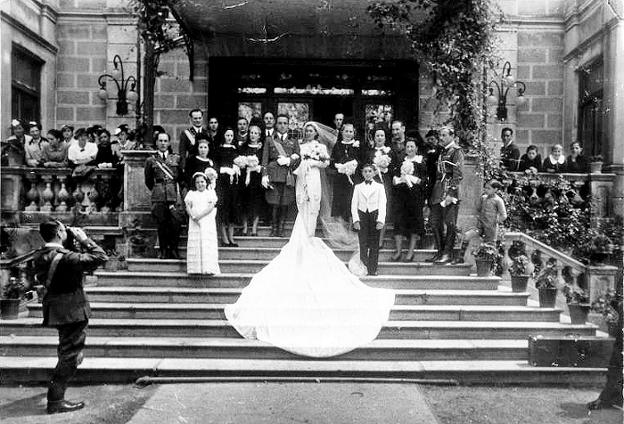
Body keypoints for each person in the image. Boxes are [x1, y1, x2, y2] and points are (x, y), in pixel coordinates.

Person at [225, 121, 394, 358]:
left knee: (313, 207)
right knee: (301, 205)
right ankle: (302, 240)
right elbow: (293, 162)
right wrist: (299, 161)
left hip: (314, 178)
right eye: (306, 131)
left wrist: (315, 161)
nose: (309, 133)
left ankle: (310, 238)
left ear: (316, 133)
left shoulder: (319, 147)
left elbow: (326, 163)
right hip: (301, 179)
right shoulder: (299, 145)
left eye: (311, 131)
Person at [33, 220, 107, 414]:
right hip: (73, 311)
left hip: (56, 309)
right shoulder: (66, 258)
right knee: (70, 355)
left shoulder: (40, 254)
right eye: (64, 230)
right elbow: (100, 257)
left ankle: (56, 393)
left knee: (65, 350)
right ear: (58, 232)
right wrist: (84, 239)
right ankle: (56, 400)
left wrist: (68, 240)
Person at [427, 126, 463, 264]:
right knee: (434, 222)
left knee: (450, 223)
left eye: (444, 135)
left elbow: (458, 174)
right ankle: (440, 252)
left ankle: (447, 253)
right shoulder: (442, 151)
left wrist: (451, 193)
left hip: (449, 191)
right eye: (440, 135)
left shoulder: (456, 151)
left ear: (452, 136)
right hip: (438, 190)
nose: (441, 138)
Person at [144, 132, 183, 259]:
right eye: (160, 141)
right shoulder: (151, 160)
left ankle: (174, 249)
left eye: (165, 141)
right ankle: (163, 250)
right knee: (161, 224)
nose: (163, 143)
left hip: (173, 194)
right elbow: (148, 180)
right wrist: (158, 189)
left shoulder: (176, 159)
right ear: (156, 143)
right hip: (159, 195)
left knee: (175, 224)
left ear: (169, 143)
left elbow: (180, 178)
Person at [261, 114, 301, 236]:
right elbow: (265, 159)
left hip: (287, 176)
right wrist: (264, 175)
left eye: (285, 123)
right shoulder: (270, 140)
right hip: (273, 175)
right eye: (280, 123)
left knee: (285, 203)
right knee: (274, 203)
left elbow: (298, 158)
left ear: (288, 125)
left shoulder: (293, 141)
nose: (282, 125)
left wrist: (289, 161)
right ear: (276, 124)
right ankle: (274, 229)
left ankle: (281, 229)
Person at [453, 180, 507, 264]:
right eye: (485, 188)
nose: (486, 190)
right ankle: (460, 258)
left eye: (488, 188)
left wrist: (495, 221)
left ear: (495, 189)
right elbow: (478, 209)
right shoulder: (483, 198)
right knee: (467, 236)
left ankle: (488, 268)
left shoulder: (498, 200)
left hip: (490, 228)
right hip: (480, 226)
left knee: (490, 247)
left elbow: (504, 215)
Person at [391, 139, 428, 262]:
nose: (410, 149)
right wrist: (399, 179)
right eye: (408, 146)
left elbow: (424, 181)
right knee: (399, 221)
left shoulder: (421, 162)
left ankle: (410, 252)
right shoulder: (401, 160)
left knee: (414, 224)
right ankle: (398, 251)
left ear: (417, 148)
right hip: (401, 196)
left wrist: (411, 178)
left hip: (415, 197)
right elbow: (394, 177)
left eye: (412, 146)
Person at [352, 164, 387, 276]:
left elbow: (383, 204)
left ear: (374, 173)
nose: (367, 173)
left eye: (369, 171)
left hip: (374, 215)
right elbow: (353, 205)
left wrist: (381, 220)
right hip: (362, 215)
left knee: (374, 244)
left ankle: (373, 269)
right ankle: (365, 264)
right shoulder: (358, 187)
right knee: (363, 243)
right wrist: (356, 220)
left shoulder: (379, 187)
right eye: (365, 171)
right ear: (362, 173)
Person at [184, 172, 220, 276]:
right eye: (198, 182)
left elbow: (210, 207)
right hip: (194, 221)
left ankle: (208, 268)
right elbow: (188, 207)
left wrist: (199, 216)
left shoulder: (210, 193)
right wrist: (193, 217)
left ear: (206, 182)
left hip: (206, 220)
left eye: (202, 182)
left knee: (207, 242)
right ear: (195, 184)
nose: (200, 184)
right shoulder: (191, 194)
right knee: (196, 243)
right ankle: (195, 269)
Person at [363, 127, 393, 246]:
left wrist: (385, 168)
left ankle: (379, 240)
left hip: (384, 182)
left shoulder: (390, 152)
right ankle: (371, 238)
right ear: (374, 138)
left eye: (382, 135)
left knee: (382, 209)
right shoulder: (369, 152)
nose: (379, 138)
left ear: (385, 138)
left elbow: (394, 168)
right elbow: (365, 167)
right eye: (377, 136)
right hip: (372, 183)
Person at [330, 122, 361, 222]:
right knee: (339, 201)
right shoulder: (337, 145)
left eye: (350, 131)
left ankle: (351, 229)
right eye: (346, 131)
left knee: (351, 201)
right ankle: (341, 230)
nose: (348, 133)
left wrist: (354, 165)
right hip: (340, 179)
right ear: (342, 132)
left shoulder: (358, 145)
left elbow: (363, 160)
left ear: (354, 133)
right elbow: (332, 161)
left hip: (354, 179)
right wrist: (338, 166)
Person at [215, 128, 241, 246]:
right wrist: (224, 169)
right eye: (227, 135)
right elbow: (216, 164)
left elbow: (238, 162)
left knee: (232, 208)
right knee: (223, 208)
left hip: (233, 183)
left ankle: (231, 237)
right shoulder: (219, 149)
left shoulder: (236, 149)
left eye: (231, 135)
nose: (229, 137)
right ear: (223, 136)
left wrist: (237, 168)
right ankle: (224, 237)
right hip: (222, 182)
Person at [240, 125, 265, 236]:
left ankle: (254, 227)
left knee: (256, 202)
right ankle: (245, 227)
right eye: (251, 133)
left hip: (257, 178)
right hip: (245, 178)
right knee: (245, 201)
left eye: (256, 133)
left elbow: (263, 162)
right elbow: (240, 160)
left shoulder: (262, 148)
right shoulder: (243, 147)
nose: (253, 135)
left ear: (259, 136)